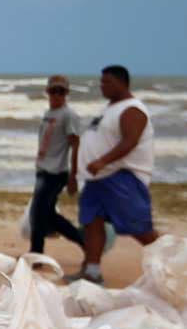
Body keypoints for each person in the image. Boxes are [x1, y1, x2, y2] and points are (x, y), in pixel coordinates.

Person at [68, 64, 159, 286]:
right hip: (97, 180)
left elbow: (130, 141)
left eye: (107, 82)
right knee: (92, 223)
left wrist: (103, 161)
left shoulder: (132, 109)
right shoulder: (109, 109)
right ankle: (91, 272)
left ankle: (174, 264)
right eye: (101, 81)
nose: (102, 86)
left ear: (122, 82)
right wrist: (74, 172)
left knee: (140, 228)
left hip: (121, 176)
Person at [28, 75, 84, 256]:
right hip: (43, 169)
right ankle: (85, 241)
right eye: (54, 91)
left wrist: (73, 176)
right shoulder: (49, 114)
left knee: (37, 214)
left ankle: (36, 254)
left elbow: (75, 144)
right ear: (48, 92)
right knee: (48, 215)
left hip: (56, 172)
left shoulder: (68, 115)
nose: (57, 95)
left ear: (66, 93)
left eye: (61, 91)